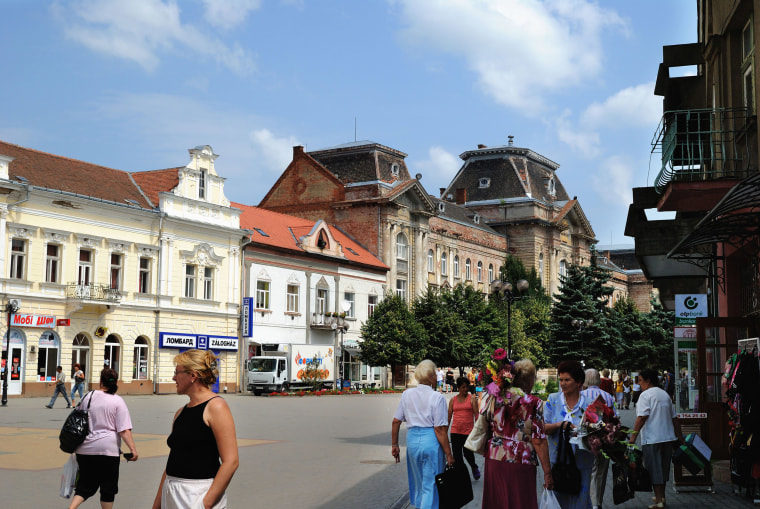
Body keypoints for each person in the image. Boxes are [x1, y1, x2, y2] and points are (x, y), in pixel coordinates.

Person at [152, 349, 239, 509]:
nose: (173, 378)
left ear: (193, 376)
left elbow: (231, 461)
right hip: (172, 492)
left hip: (197, 493)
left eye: (177, 372)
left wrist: (205, 504)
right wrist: (157, 503)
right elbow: (174, 458)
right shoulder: (180, 412)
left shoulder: (216, 407)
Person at [480, 351, 553, 509]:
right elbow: (538, 440)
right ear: (529, 380)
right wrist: (547, 472)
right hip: (520, 460)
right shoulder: (533, 403)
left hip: (494, 458)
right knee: (520, 502)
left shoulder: (496, 397)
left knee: (497, 503)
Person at [68, 368, 138, 509]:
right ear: (115, 382)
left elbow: (77, 418)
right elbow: (124, 430)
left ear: (100, 381)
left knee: (85, 485)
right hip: (108, 451)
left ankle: (71, 508)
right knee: (108, 488)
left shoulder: (88, 397)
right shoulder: (118, 401)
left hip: (85, 449)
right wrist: (133, 450)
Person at [392, 359, 454, 509]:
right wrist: (448, 453)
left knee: (418, 483)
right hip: (431, 441)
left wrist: (394, 444)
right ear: (432, 376)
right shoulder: (437, 397)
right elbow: (439, 429)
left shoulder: (407, 394)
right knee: (431, 485)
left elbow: (396, 421)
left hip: (412, 440)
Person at [628, 368, 682, 509]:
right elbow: (675, 418)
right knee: (663, 469)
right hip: (668, 437)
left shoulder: (645, 396)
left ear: (648, 380)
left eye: (640, 380)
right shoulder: (664, 394)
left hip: (652, 438)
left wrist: (633, 436)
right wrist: (680, 436)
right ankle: (661, 496)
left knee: (654, 469)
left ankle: (659, 501)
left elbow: (642, 417)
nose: (639, 384)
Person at [545, 360, 593, 509]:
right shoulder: (552, 400)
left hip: (582, 463)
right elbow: (543, 428)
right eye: (561, 380)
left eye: (567, 380)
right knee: (558, 502)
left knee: (580, 502)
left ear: (578, 382)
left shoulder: (590, 404)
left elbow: (597, 433)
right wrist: (560, 425)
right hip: (557, 461)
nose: (563, 383)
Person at [581, 369, 617, 509]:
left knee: (588, 470)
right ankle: (598, 503)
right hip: (604, 439)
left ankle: (589, 501)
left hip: (585, 439)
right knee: (601, 471)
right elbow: (615, 416)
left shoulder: (581, 395)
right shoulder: (608, 396)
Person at [448, 376, 480, 481]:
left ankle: (474, 466)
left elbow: (476, 414)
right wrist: (444, 430)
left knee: (468, 454)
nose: (465, 389)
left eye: (467, 387)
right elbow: (448, 417)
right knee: (457, 457)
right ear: (458, 388)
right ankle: (462, 477)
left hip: (468, 431)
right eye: (463, 387)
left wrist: (478, 429)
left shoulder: (471, 398)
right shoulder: (453, 400)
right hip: (455, 431)